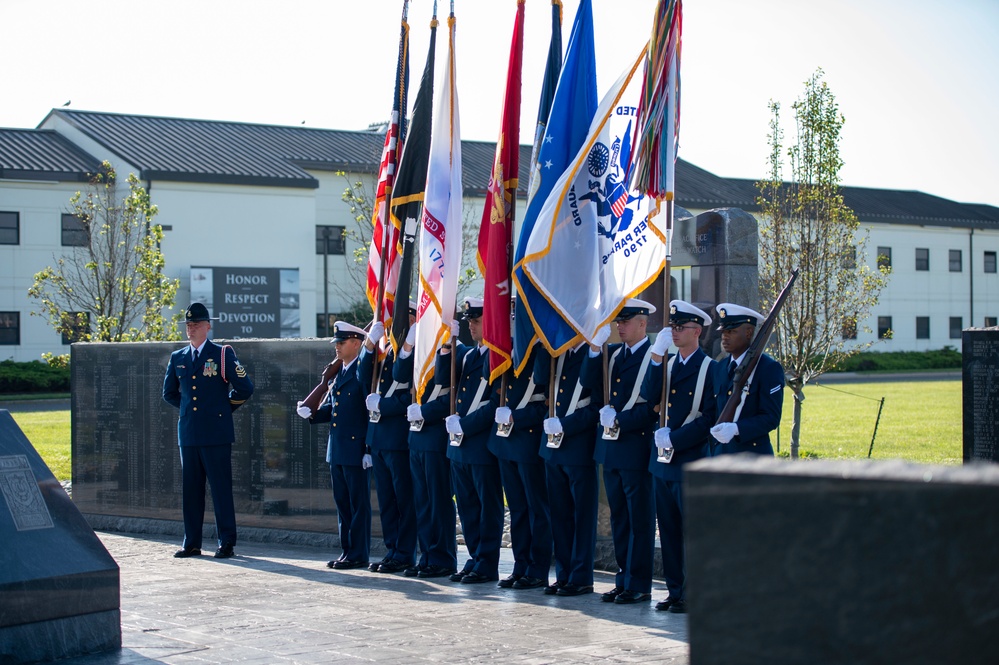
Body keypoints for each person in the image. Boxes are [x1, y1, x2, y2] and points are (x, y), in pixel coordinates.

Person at [641, 300, 717, 614]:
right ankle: (675, 591)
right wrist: (656, 357)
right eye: (672, 326)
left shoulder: (710, 368)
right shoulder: (668, 364)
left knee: (690, 532)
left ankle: (693, 592)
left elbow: (710, 417)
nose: (673, 331)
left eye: (680, 327)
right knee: (669, 532)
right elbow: (648, 393)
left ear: (697, 331)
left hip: (690, 459)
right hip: (663, 463)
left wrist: (676, 437)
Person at [163, 302, 254, 559]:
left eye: (195, 325)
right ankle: (191, 542)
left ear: (207, 326)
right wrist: (188, 409)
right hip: (189, 434)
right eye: (188, 326)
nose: (190, 330)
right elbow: (169, 393)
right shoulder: (178, 357)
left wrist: (222, 410)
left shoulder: (222, 354)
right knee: (191, 491)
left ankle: (226, 542)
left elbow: (245, 387)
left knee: (220, 489)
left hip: (216, 434)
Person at [585, 299, 659, 605]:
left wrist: (620, 419)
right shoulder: (612, 355)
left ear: (643, 323)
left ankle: (638, 583)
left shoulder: (654, 357)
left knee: (639, 520)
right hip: (611, 451)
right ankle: (623, 578)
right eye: (618, 321)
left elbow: (654, 406)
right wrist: (593, 351)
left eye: (626, 321)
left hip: (635, 448)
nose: (620, 326)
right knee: (619, 520)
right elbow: (588, 385)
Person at [438, 297, 502, 584]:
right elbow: (443, 380)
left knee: (487, 507)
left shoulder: (497, 356)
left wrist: (465, 425)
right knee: (466, 506)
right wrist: (446, 346)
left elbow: (495, 403)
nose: (472, 327)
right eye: (470, 322)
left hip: (479, 444)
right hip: (460, 446)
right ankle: (475, 558)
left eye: (476, 321)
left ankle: (487, 563)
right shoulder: (469, 355)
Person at [297, 321, 371, 569]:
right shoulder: (339, 372)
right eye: (336, 343)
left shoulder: (362, 371)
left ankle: (359, 553)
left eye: (341, 342)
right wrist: (313, 413)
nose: (336, 347)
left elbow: (366, 412)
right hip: (337, 448)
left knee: (357, 505)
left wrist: (368, 449)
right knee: (342, 504)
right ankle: (347, 550)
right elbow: (336, 409)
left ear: (356, 343)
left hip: (355, 448)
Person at [359, 305, 418, 575]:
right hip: (379, 437)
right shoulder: (385, 352)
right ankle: (392, 548)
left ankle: (405, 552)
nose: (398, 322)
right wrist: (369, 345)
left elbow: (413, 397)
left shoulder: (416, 352)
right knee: (386, 499)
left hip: (399, 437)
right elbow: (362, 377)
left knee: (403, 498)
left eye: (407, 316)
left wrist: (386, 405)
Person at [489, 337, 551, 591]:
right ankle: (520, 565)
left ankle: (537, 569)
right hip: (507, 441)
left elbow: (546, 403)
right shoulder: (509, 348)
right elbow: (490, 375)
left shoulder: (545, 351)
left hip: (528, 440)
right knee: (516, 510)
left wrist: (517, 416)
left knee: (536, 509)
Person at [538, 341, 600, 597]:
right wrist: (544, 344)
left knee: (582, 516)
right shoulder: (556, 353)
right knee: (560, 515)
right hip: (553, 449)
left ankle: (581, 576)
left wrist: (566, 425)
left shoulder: (594, 355)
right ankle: (563, 574)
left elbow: (596, 407)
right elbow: (541, 379)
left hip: (578, 447)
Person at [398, 321, 458, 579]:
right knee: (422, 502)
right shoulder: (419, 355)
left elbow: (451, 397)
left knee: (438, 501)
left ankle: (443, 557)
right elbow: (399, 376)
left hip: (434, 438)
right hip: (416, 439)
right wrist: (408, 346)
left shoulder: (455, 351)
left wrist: (425, 411)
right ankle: (427, 556)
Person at [708, 303, 785, 456]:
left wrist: (737, 428)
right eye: (723, 331)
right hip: (721, 455)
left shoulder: (767, 368)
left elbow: (771, 417)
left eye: (732, 331)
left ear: (749, 332)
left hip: (752, 456)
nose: (725, 337)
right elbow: (712, 411)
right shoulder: (719, 368)